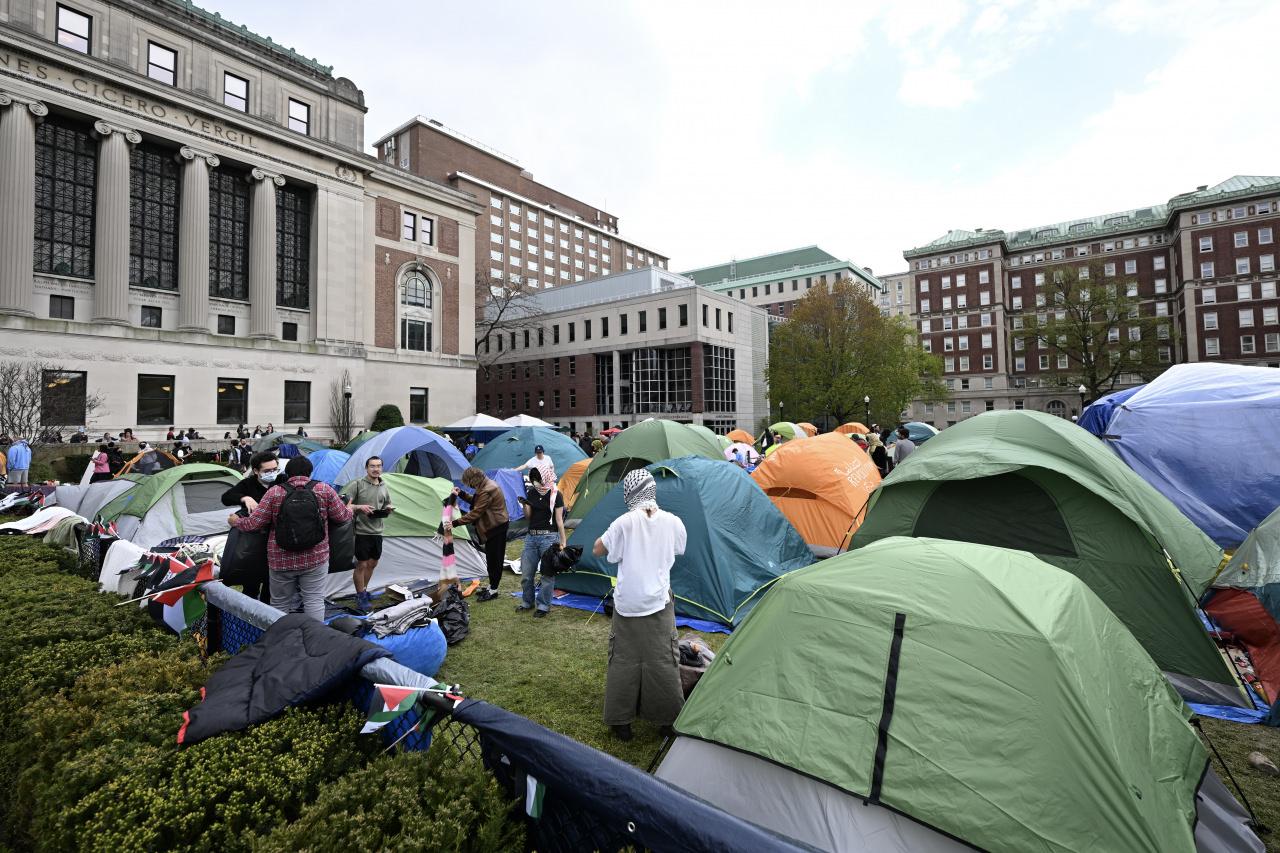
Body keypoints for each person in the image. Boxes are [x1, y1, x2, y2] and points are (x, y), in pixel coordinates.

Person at [593, 469, 687, 741]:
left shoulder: (623, 522)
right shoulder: (673, 522)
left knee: (623, 660)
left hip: (627, 604)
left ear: (630, 492)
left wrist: (608, 538)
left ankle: (621, 722)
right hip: (659, 602)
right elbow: (679, 548)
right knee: (663, 661)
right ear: (652, 490)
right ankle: (667, 720)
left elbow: (599, 549)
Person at [228, 456, 351, 621]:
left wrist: (237, 522)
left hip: (281, 560)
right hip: (316, 557)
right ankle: (316, 639)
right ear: (310, 471)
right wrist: (349, 509)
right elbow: (342, 517)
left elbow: (254, 524)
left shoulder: (275, 492)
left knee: (279, 603)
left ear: (286, 472)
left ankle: (279, 639)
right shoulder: (324, 489)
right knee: (314, 600)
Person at [451, 467, 510, 603]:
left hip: (496, 527)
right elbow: (477, 502)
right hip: (494, 526)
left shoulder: (487, 489)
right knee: (491, 559)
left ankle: (493, 590)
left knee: (495, 560)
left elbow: (476, 512)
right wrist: (462, 494)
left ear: (473, 479)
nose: (469, 485)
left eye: (468, 482)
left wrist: (454, 523)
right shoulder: (485, 485)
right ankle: (491, 586)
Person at [516, 467, 567, 618]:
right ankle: (527, 602)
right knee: (526, 574)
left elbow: (559, 520)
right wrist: (525, 503)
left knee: (547, 574)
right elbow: (528, 516)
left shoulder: (556, 495)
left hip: (549, 538)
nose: (536, 483)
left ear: (545, 478)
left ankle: (543, 606)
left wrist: (563, 542)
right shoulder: (532, 492)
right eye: (534, 480)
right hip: (531, 537)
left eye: (538, 479)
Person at [348, 456, 394, 613]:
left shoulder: (383, 485)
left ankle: (364, 590)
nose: (376, 469)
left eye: (379, 466)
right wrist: (359, 507)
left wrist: (388, 508)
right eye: (372, 466)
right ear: (366, 468)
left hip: (377, 530)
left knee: (373, 563)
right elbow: (346, 505)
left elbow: (387, 502)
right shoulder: (357, 484)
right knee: (361, 564)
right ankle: (360, 595)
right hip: (361, 531)